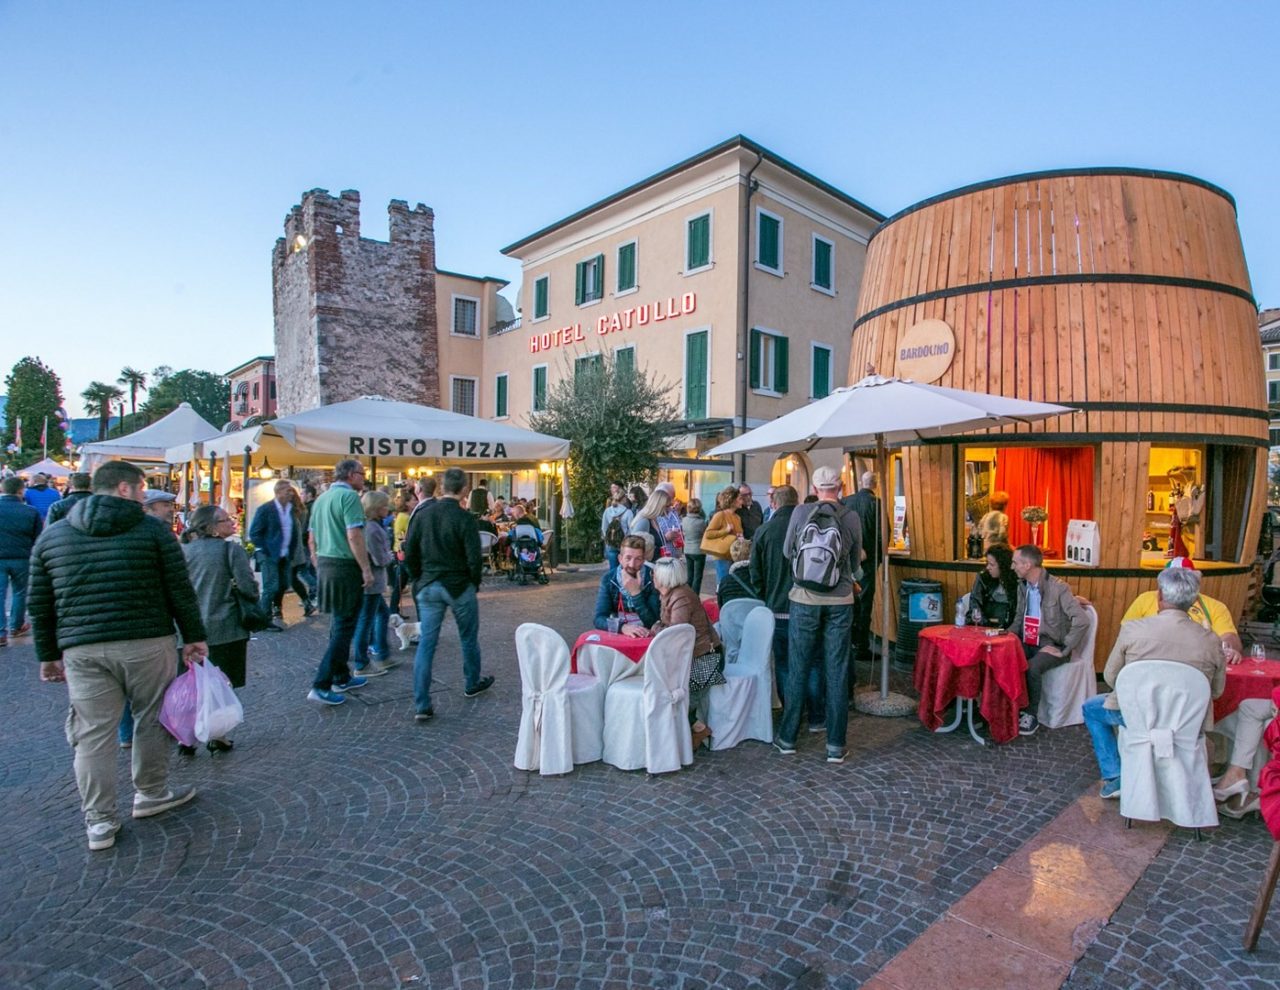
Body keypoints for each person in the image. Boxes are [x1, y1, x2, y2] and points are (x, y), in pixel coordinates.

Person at [28, 460, 207, 851]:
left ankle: (99, 822)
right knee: (150, 718)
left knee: (92, 735)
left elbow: (39, 602)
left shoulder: (54, 536)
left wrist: (47, 654)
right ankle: (151, 792)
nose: (145, 495)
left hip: (83, 647)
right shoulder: (153, 532)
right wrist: (194, 636)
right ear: (124, 489)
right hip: (146, 638)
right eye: (142, 488)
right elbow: (179, 588)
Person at [1081, 565, 1224, 799]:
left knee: (1091, 708)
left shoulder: (1132, 630)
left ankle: (1116, 776)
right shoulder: (1211, 640)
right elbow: (1216, 691)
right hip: (1186, 723)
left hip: (1136, 716)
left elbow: (1110, 676)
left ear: (1159, 595)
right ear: (1194, 600)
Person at [775, 466, 861, 763]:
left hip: (804, 599)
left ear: (814, 485)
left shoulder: (801, 513)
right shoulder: (851, 517)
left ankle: (787, 738)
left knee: (798, 666)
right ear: (841, 486)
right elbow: (854, 559)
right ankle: (835, 745)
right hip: (840, 601)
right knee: (836, 669)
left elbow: (788, 552)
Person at [404, 466, 493, 721]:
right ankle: (471, 681)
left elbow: (409, 552)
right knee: (468, 636)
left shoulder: (423, 514)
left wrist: (417, 577)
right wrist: (472, 583)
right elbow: (474, 557)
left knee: (427, 644)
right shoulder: (464, 518)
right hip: (458, 584)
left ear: (442, 487)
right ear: (464, 489)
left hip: (429, 584)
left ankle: (422, 702)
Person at [181, 505, 256, 754]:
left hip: (188, 629)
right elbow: (247, 586)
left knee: (192, 683)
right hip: (225, 625)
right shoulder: (230, 550)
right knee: (222, 682)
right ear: (212, 527)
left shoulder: (184, 551)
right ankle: (218, 734)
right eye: (226, 520)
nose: (231, 523)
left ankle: (187, 736)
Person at [750, 484, 823, 728]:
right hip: (808, 605)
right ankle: (816, 717)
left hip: (777, 607)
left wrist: (766, 597)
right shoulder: (809, 528)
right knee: (811, 662)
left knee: (782, 663)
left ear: (774, 503)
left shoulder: (764, 530)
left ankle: (791, 714)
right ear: (798, 501)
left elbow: (755, 573)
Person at [306, 458, 374, 706]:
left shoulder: (321, 500)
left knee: (338, 623)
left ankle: (340, 675)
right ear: (350, 475)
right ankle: (321, 683)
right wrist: (365, 568)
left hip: (326, 563)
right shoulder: (350, 498)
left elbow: (311, 538)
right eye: (361, 473)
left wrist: (317, 562)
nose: (364, 477)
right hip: (344, 565)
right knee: (345, 626)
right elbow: (354, 534)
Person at [1006, 544, 1091, 736]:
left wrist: (1064, 649)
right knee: (1002, 656)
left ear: (1027, 565)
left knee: (1032, 667)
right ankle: (1009, 708)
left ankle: (1031, 715)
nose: (1012, 567)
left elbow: (1082, 621)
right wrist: (1004, 638)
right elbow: (1019, 619)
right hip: (1028, 640)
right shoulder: (1023, 587)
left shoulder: (1059, 588)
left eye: (1015, 562)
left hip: (1052, 645)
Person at [650, 556, 722, 750]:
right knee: (666, 684)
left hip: (705, 658)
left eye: (655, 573)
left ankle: (685, 736)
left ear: (664, 577)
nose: (652, 576)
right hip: (693, 656)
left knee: (673, 693)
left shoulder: (681, 597)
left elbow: (675, 634)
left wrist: (656, 628)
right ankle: (695, 731)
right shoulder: (671, 594)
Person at [1120, 557, 1242, 662]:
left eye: (1184, 581)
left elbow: (1229, 637)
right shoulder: (1144, 599)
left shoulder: (1215, 606)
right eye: (1173, 581)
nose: (1178, 586)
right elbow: (1125, 635)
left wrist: (1228, 649)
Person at [249, 480, 314, 630]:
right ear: (278, 493)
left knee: (284, 584)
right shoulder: (266, 509)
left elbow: (292, 533)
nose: (291, 494)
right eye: (287, 491)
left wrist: (290, 552)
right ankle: (264, 620)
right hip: (269, 555)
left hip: (284, 555)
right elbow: (254, 533)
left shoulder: (290, 510)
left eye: (291, 491)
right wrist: (267, 548)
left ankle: (270, 612)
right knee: (271, 586)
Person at [352, 490, 397, 677]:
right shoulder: (372, 528)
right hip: (372, 582)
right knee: (366, 619)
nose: (388, 509)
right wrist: (391, 557)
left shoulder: (370, 526)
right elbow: (379, 558)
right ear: (376, 508)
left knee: (380, 614)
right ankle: (363, 661)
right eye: (385, 505)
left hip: (372, 582)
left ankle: (381, 653)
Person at [842, 471, 881, 663]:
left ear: (860, 482)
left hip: (846, 561)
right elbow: (883, 535)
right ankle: (862, 646)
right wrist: (877, 559)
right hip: (868, 562)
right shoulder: (876, 504)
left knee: (848, 601)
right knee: (865, 603)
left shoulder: (846, 502)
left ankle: (848, 642)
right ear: (876, 484)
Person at [0, 475, 41, 647]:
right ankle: (16, 626)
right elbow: (38, 538)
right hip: (22, 557)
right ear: (21, 490)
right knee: (20, 592)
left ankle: (0, 632)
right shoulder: (31, 511)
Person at [593, 535, 660, 635]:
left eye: (638, 559)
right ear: (620, 558)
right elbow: (599, 618)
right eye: (628, 558)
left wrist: (636, 593)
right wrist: (622, 627)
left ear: (643, 560)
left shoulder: (652, 578)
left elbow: (652, 622)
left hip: (646, 634)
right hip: (621, 633)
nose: (632, 564)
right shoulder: (609, 579)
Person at [967, 544, 1018, 628]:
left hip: (1008, 627)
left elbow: (1017, 610)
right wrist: (987, 626)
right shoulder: (983, 577)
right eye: (987, 563)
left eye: (992, 565)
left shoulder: (1015, 580)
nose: (988, 567)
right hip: (983, 624)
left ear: (1003, 565)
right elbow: (975, 603)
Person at [702, 486, 744, 586]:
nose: (742, 501)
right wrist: (726, 531)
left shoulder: (737, 517)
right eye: (739, 498)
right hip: (722, 555)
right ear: (732, 500)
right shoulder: (720, 515)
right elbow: (708, 533)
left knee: (731, 585)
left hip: (734, 556)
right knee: (723, 584)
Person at [630, 485, 683, 560]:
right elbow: (633, 548)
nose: (668, 510)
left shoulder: (653, 519)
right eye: (667, 506)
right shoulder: (644, 521)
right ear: (658, 506)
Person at [601, 482, 634, 571]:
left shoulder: (607, 511)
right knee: (625, 569)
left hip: (611, 543)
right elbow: (631, 530)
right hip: (624, 544)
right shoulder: (628, 512)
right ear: (624, 499)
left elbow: (604, 528)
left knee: (612, 569)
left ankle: (612, 584)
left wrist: (608, 539)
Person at [716, 537, 757, 607]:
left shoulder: (724, 582)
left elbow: (721, 608)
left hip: (733, 617)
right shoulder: (759, 578)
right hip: (754, 616)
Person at [681, 497, 708, 595]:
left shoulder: (684, 520)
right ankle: (695, 597)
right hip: (699, 551)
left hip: (687, 550)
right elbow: (705, 535)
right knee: (697, 577)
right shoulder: (701, 522)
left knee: (690, 575)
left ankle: (688, 595)